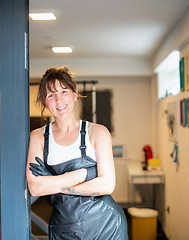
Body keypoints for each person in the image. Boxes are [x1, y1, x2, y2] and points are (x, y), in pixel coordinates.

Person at [26, 66, 128, 239]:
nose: (58, 100)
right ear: (44, 102)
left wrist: (55, 186)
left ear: (74, 94)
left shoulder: (98, 132)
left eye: (63, 91)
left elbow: (107, 185)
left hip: (107, 227)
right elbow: (35, 188)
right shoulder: (38, 137)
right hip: (64, 229)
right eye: (50, 95)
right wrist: (85, 174)